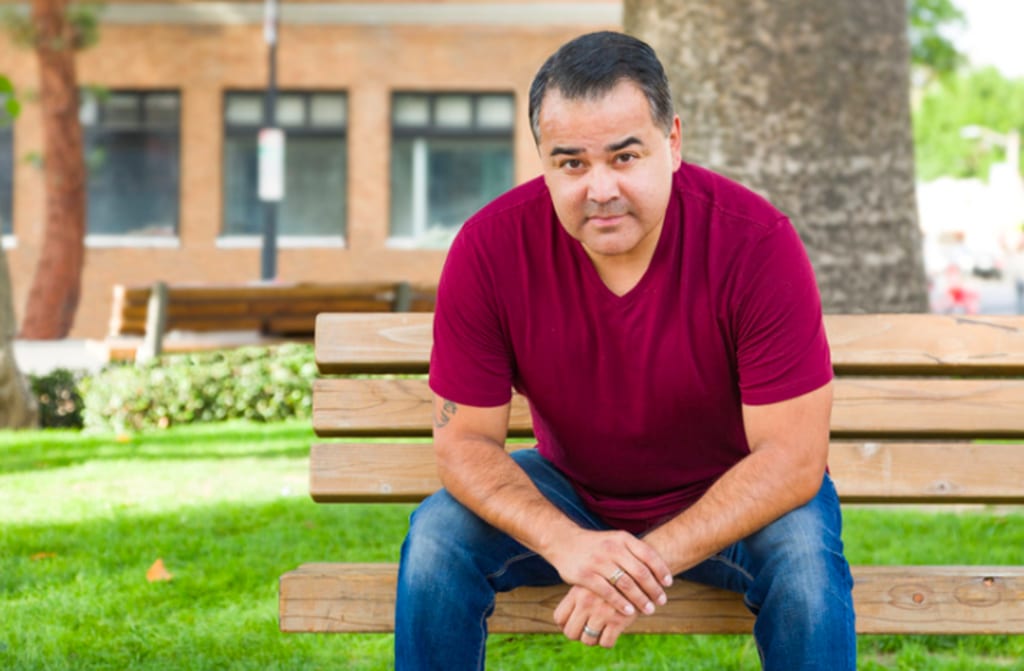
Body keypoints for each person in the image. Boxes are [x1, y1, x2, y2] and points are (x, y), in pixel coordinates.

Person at [395, 31, 855, 670]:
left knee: (805, 559)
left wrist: (635, 568)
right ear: (542, 159)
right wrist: (568, 545)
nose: (600, 188)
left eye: (625, 156)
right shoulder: (489, 249)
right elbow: (463, 444)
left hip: (731, 493)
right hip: (574, 494)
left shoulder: (756, 243)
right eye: (571, 164)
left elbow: (792, 459)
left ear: (673, 141)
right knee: (438, 536)